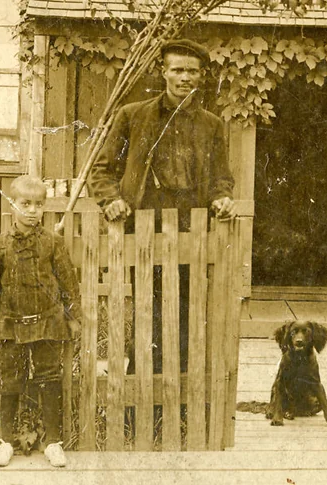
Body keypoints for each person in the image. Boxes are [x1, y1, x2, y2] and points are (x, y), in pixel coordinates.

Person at [88, 39, 235, 373]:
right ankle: (140, 394)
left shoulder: (211, 124)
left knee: (188, 310)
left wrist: (222, 198)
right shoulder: (132, 116)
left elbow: (221, 178)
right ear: (163, 72)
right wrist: (111, 200)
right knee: (147, 308)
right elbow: (101, 169)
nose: (185, 77)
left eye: (192, 71)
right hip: (145, 223)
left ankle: (182, 393)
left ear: (201, 76)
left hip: (191, 226)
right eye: (177, 70)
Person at [0, 175, 81, 467]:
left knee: (49, 378)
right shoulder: (0, 245)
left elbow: (68, 282)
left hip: (48, 322)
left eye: (38, 205)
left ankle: (53, 443)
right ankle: (6, 441)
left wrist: (73, 318)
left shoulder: (53, 242)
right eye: (25, 204)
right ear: (12, 206)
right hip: (10, 324)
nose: (32, 210)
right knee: (10, 381)